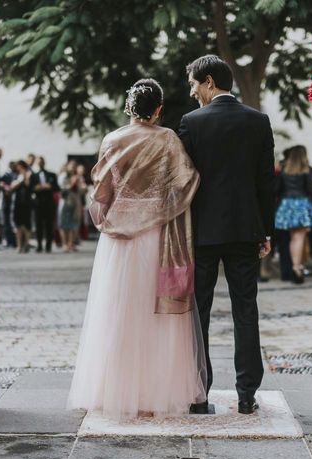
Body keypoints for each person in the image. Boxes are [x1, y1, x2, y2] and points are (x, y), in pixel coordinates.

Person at [66, 79, 206, 419]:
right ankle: (153, 393)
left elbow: (100, 192)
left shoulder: (113, 140)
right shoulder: (168, 139)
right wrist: (157, 204)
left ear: (129, 107)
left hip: (117, 241)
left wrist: (112, 215)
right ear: (158, 109)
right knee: (153, 315)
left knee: (117, 312)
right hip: (155, 237)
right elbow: (186, 182)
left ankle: (115, 390)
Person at [179, 55, 275, 415]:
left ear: (207, 81)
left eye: (192, 84)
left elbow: (183, 180)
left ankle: (198, 391)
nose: (192, 93)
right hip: (245, 230)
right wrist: (266, 230)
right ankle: (247, 393)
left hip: (203, 233)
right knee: (245, 309)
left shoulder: (191, 123)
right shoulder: (258, 121)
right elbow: (267, 182)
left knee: (198, 311)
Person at [274, 146, 312, 283]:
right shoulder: (306, 170)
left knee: (291, 238)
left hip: (286, 204)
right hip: (301, 204)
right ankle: (297, 268)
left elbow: (276, 189)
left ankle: (294, 267)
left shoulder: (284, 170)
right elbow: (310, 190)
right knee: (299, 238)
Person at [30, 156, 59, 253]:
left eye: (41, 162)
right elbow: (30, 188)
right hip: (38, 204)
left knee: (49, 225)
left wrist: (49, 187)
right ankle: (39, 245)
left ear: (44, 163)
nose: (40, 164)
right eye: (39, 162)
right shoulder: (33, 176)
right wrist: (37, 188)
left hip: (49, 203)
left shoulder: (51, 174)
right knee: (38, 225)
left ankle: (48, 246)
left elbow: (56, 188)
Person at [58, 160, 82, 252]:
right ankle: (64, 244)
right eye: (71, 165)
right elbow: (63, 187)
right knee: (64, 222)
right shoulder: (64, 175)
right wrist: (73, 182)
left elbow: (80, 190)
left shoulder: (77, 176)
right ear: (67, 166)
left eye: (75, 166)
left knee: (74, 222)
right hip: (65, 201)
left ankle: (71, 243)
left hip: (75, 201)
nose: (73, 167)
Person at [9, 160, 33, 253]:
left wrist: (25, 177)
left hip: (26, 202)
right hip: (17, 202)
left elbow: (28, 185)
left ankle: (26, 244)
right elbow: (12, 187)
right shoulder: (15, 175)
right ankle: (19, 245)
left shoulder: (29, 174)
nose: (17, 168)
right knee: (18, 224)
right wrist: (20, 180)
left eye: (18, 166)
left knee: (27, 224)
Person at [0, 160, 18, 248]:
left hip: (13, 202)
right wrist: (5, 187)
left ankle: (14, 242)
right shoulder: (5, 175)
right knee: (6, 222)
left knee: (12, 222)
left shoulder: (16, 175)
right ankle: (9, 241)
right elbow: (0, 183)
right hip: (6, 202)